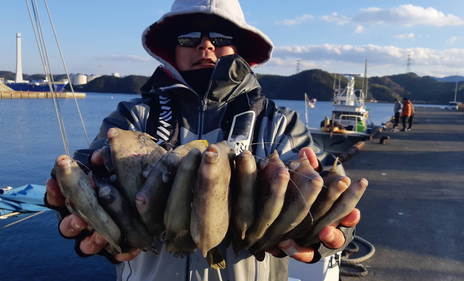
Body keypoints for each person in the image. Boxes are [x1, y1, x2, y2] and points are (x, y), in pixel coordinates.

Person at [45, 0, 363, 280]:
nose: (206, 46)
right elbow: (88, 171)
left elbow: (323, 182)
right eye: (189, 37)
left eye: (221, 38)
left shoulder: (279, 123)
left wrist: (333, 230)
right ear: (171, 46)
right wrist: (71, 209)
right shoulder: (133, 118)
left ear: (240, 47)